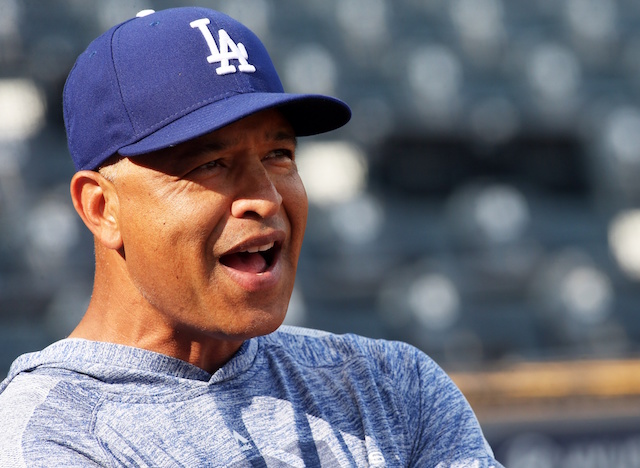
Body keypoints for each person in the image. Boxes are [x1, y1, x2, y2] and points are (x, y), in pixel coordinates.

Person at [0, 7, 503, 467]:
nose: (265, 197)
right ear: (102, 207)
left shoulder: (389, 386)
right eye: (211, 164)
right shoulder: (52, 435)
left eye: (278, 154)